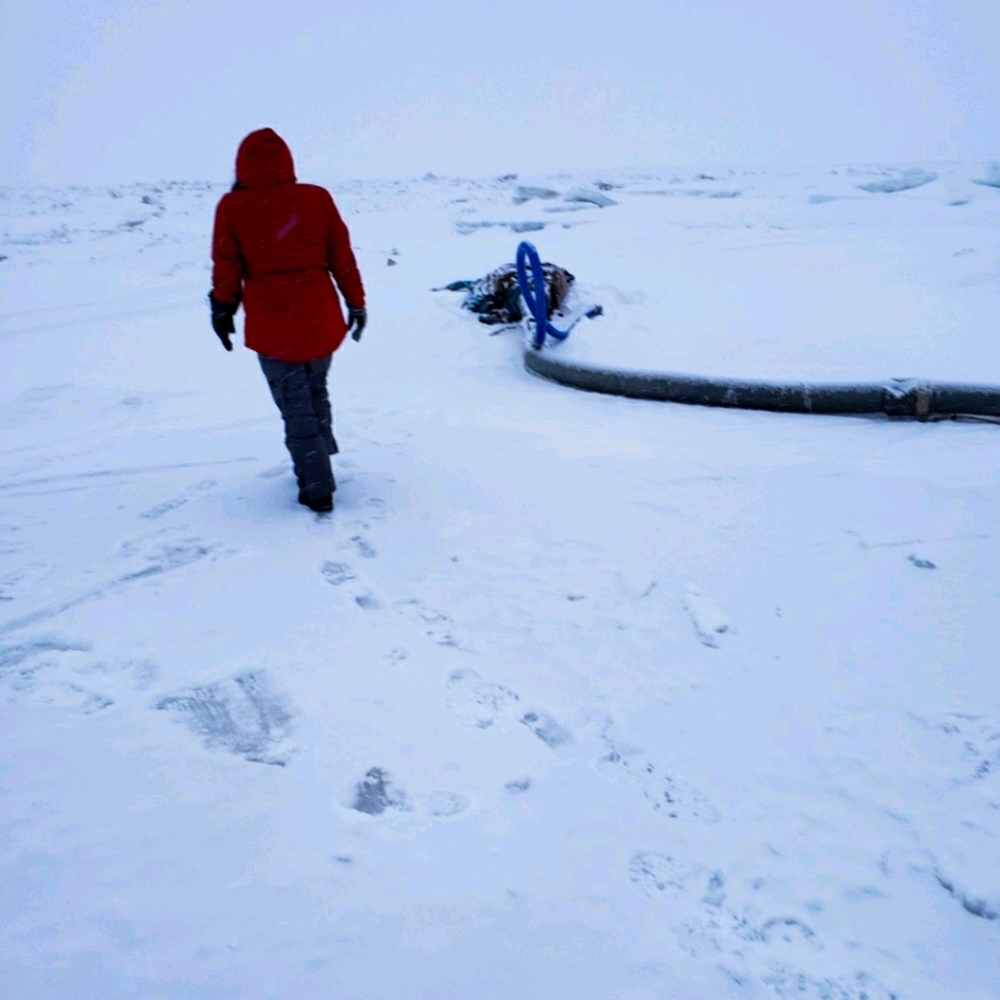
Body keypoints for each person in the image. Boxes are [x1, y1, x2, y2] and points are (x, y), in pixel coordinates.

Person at [209, 128, 366, 514]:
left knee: (296, 406)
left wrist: (222, 310)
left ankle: (317, 487)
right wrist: (356, 304)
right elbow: (342, 256)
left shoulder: (233, 206)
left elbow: (226, 267)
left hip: (274, 325)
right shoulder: (316, 198)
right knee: (314, 391)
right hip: (319, 317)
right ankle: (319, 456)